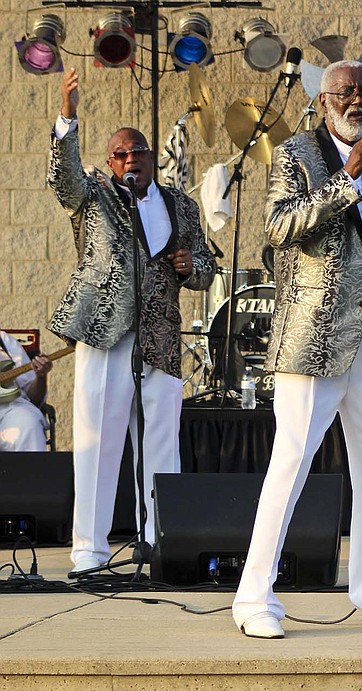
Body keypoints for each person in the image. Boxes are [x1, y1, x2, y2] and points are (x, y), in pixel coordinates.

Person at [232, 59, 362, 639]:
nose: (357, 100)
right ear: (324, 100)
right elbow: (277, 228)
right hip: (314, 338)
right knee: (293, 460)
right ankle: (254, 597)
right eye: (346, 92)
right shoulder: (295, 154)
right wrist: (345, 179)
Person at [47, 69, 216, 576]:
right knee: (98, 440)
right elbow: (62, 179)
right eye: (119, 154)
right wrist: (67, 117)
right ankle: (90, 551)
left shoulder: (181, 205)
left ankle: (159, 543)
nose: (128, 161)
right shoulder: (93, 196)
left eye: (136, 153)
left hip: (161, 335)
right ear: (109, 162)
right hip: (104, 331)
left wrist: (193, 267)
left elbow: (207, 269)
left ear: (149, 159)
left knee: (162, 438)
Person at [0, 332, 52, 451]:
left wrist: (41, 376)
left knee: (29, 425)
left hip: (9, 409)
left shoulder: (4, 340)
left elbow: (33, 399)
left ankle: (34, 470)